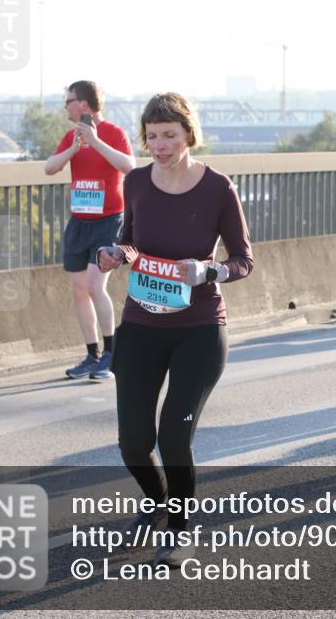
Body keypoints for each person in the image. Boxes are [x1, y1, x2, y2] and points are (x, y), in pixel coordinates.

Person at [97, 92, 254, 566]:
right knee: (133, 442)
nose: (160, 145)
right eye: (152, 136)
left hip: (199, 329)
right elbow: (129, 240)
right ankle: (156, 501)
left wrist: (208, 272)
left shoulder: (218, 187)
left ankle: (181, 528)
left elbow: (243, 260)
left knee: (173, 436)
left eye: (169, 135)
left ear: (189, 134)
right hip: (141, 324)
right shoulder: (136, 182)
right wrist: (115, 254)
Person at [45, 81, 136, 381]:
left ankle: (111, 353)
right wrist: (73, 148)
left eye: (69, 101)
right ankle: (92, 354)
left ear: (83, 103)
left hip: (108, 220)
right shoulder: (71, 135)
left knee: (96, 286)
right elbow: (49, 168)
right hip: (79, 221)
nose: (66, 106)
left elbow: (130, 166)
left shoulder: (113, 133)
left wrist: (95, 142)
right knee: (79, 290)